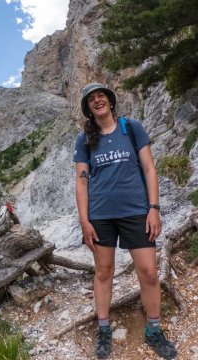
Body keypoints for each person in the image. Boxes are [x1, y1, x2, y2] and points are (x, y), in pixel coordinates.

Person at [73, 83, 178, 359]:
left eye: (101, 96)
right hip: (101, 216)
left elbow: (149, 169)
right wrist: (84, 221)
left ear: (110, 101)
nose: (98, 101)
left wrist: (153, 208)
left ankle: (154, 330)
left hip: (136, 212)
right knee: (104, 272)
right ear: (88, 108)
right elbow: (81, 182)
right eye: (92, 99)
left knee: (149, 272)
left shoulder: (131, 128)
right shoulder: (83, 140)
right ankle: (104, 329)